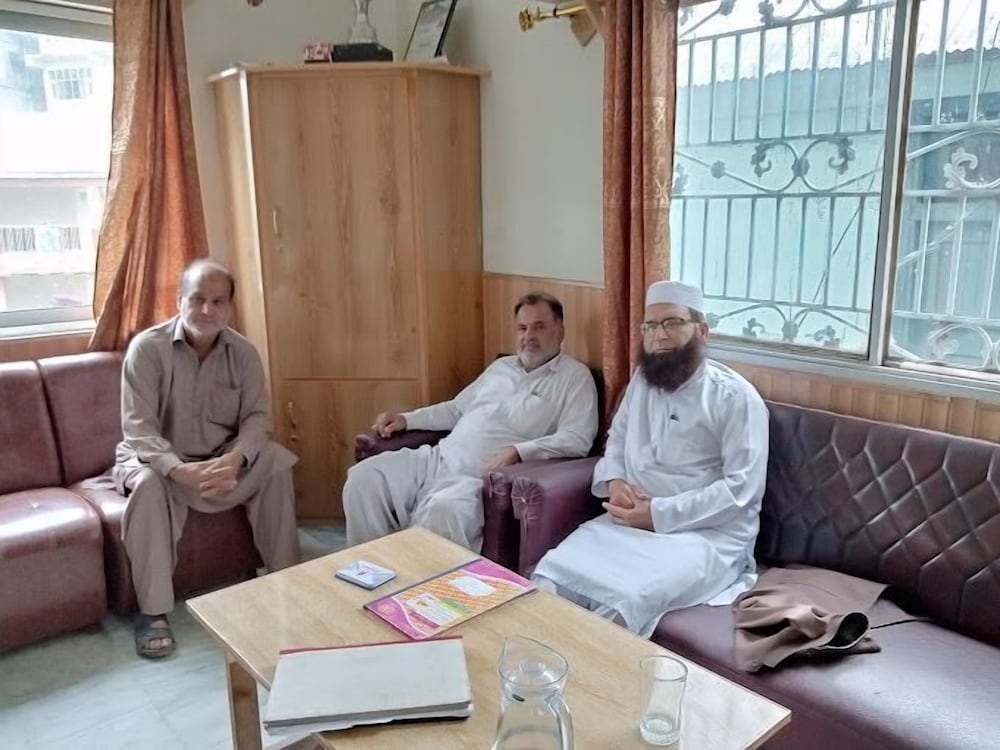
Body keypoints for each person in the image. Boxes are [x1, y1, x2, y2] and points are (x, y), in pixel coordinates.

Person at [532, 280, 769, 638]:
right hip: (627, 524)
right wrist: (615, 482)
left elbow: (741, 492)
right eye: (651, 326)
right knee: (550, 575)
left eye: (673, 323)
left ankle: (595, 673)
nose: (660, 335)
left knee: (622, 604)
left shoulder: (735, 398)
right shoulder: (642, 380)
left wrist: (657, 514)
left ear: (702, 331)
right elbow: (616, 440)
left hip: (703, 538)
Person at [113, 259, 299, 659]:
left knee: (274, 459)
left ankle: (287, 583)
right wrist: (178, 470)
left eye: (218, 302)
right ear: (179, 300)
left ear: (229, 308)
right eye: (197, 299)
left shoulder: (244, 353)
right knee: (147, 485)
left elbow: (257, 419)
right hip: (157, 461)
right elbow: (139, 430)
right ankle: (153, 612)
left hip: (220, 461)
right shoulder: (147, 349)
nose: (206, 310)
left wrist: (235, 460)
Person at [343, 292, 599, 552]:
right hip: (437, 458)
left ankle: (418, 577)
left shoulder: (575, 378)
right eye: (522, 328)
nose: (529, 336)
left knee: (443, 510)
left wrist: (518, 452)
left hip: (476, 478)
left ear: (560, 330)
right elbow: (456, 409)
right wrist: (406, 419)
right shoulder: (501, 367)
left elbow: (577, 439)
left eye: (539, 327)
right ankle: (371, 565)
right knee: (363, 479)